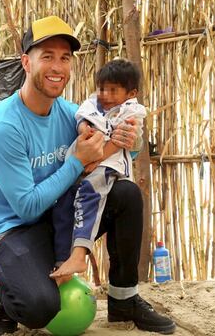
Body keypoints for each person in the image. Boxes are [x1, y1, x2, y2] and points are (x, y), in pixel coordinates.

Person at [0, 15, 176, 335]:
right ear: (26, 62)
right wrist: (76, 162)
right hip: (11, 230)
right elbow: (26, 207)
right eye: (47, 56)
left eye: (65, 58)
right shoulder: (3, 127)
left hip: (56, 216)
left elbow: (113, 156)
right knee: (39, 307)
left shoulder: (72, 114)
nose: (57, 67)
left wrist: (129, 142)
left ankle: (124, 300)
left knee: (125, 193)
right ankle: (3, 292)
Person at [49, 59, 147, 278]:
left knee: (88, 199)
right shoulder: (94, 103)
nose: (105, 95)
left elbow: (123, 141)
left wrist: (95, 158)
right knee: (63, 204)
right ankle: (62, 260)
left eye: (113, 90)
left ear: (131, 93)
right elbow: (82, 119)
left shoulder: (131, 111)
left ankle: (78, 256)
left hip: (105, 168)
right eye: (102, 88)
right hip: (82, 166)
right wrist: (85, 128)